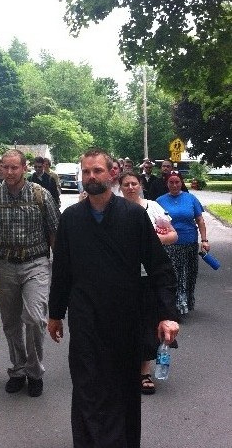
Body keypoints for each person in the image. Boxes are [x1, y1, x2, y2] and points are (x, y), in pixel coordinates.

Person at [48, 148, 179, 448]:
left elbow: (160, 268)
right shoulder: (71, 218)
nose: (91, 176)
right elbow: (62, 271)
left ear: (112, 173)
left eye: (97, 170)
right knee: (86, 386)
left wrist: (167, 314)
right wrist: (56, 314)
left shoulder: (133, 216)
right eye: (86, 172)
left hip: (125, 316)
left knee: (122, 387)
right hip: (85, 317)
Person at [0, 149, 60, 397]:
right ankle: (18, 369)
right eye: (5, 168)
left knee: (34, 317)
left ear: (24, 168)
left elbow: (55, 231)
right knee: (11, 323)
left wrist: (61, 266)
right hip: (5, 266)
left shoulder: (41, 195)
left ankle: (35, 371)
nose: (9, 173)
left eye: (14, 168)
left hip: (36, 264)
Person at [119, 171, 178, 395]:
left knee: (146, 323)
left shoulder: (152, 207)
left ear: (140, 185)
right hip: (122, 276)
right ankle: (123, 368)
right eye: (127, 184)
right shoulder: (115, 210)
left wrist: (149, 241)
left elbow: (173, 235)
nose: (131, 187)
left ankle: (144, 372)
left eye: (134, 183)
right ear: (120, 187)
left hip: (149, 274)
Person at [156, 171, 209, 315]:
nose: (174, 185)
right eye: (171, 182)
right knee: (175, 275)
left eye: (177, 182)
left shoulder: (191, 198)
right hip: (171, 244)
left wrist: (204, 240)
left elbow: (200, 220)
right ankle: (177, 304)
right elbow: (156, 223)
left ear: (182, 183)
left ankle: (187, 301)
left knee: (190, 274)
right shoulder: (160, 201)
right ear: (167, 184)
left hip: (190, 242)